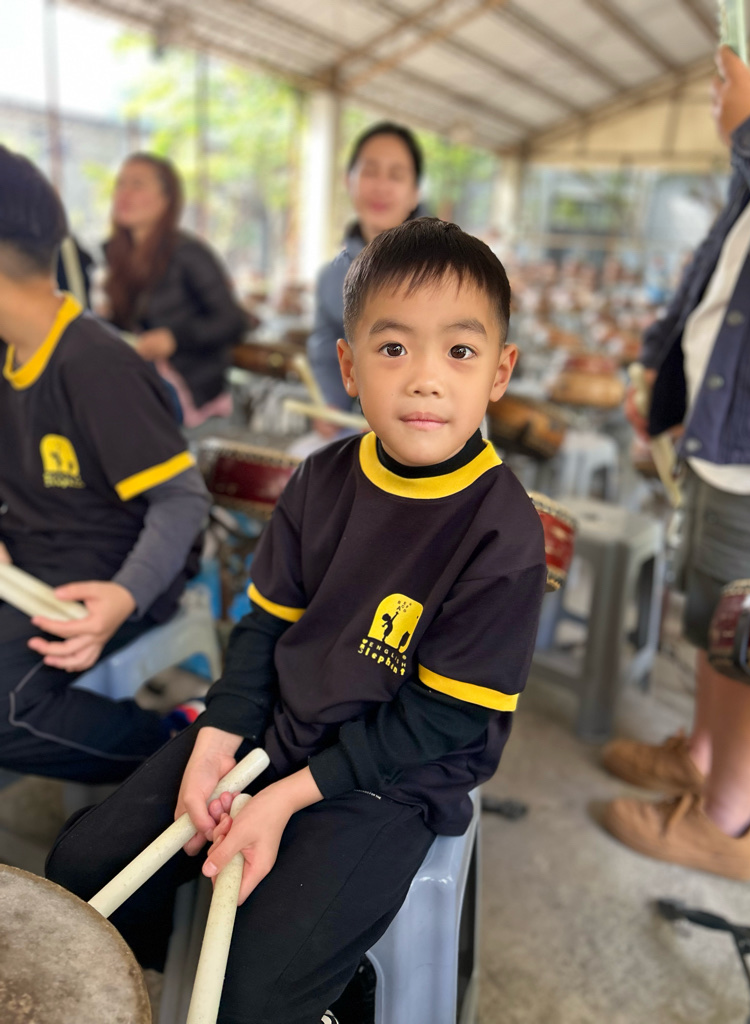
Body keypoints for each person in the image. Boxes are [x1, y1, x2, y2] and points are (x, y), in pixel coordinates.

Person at [47, 218, 547, 1023]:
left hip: (391, 781)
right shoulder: (320, 479)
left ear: (500, 371)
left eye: (460, 350)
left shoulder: (503, 531)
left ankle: (340, 988)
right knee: (84, 870)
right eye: (394, 348)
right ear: (348, 367)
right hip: (276, 730)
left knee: (254, 992)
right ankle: (205, 950)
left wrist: (282, 800)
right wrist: (218, 736)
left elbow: (443, 721)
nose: (426, 378)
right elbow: (264, 629)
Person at [600, 47, 750, 881]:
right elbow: (713, 277)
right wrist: (657, 370)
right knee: (712, 615)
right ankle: (701, 759)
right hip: (721, 433)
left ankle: (729, 822)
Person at [0, 146, 212, 783]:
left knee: (3, 711)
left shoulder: (95, 363)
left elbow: (183, 500)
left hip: (111, 573)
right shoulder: (9, 352)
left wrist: (124, 596)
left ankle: (176, 746)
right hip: (31, 557)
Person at [103, 152, 248, 427]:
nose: (124, 194)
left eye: (137, 184)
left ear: (166, 198)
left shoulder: (189, 253)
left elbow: (233, 321)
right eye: (120, 184)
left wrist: (174, 339)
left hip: (189, 389)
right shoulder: (115, 256)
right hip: (141, 378)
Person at [307, 121, 423, 423]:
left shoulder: (448, 268)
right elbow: (327, 356)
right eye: (370, 172)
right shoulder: (332, 278)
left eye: (396, 175)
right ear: (349, 181)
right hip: (361, 428)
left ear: (414, 193)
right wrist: (330, 405)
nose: (381, 186)